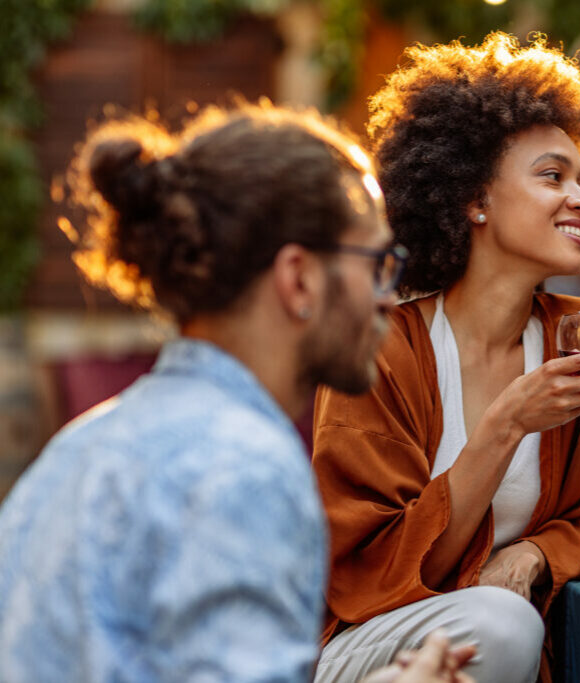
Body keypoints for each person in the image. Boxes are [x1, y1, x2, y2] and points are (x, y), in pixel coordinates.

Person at [0, 103, 472, 682]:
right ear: (298, 278)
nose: (389, 296)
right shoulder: (244, 471)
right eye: (376, 263)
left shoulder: (78, 448)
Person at [312, 32, 580, 683]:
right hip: (377, 639)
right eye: (553, 176)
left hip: (500, 641)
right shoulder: (380, 349)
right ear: (474, 198)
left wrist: (535, 554)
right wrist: (505, 425)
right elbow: (374, 573)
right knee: (503, 622)